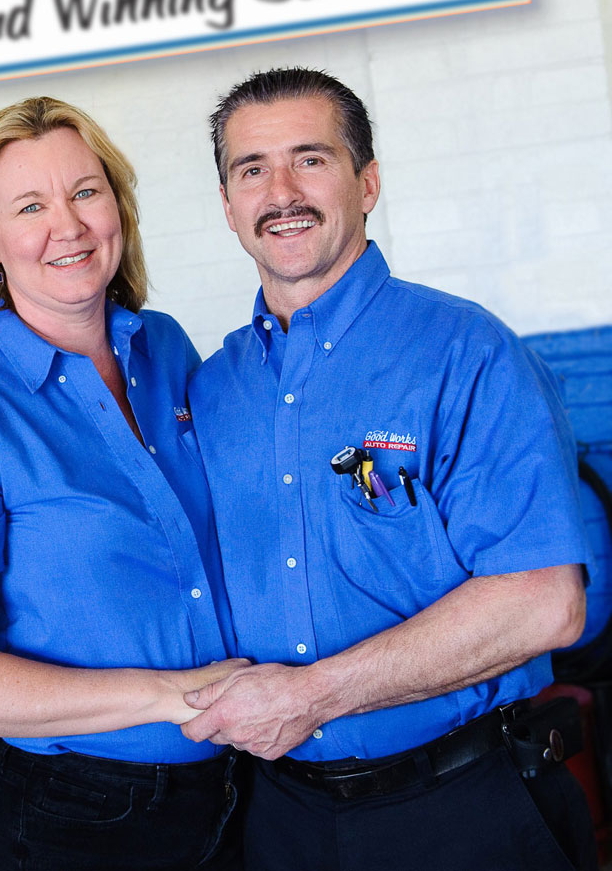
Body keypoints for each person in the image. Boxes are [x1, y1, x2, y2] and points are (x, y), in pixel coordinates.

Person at [181, 68, 598, 871]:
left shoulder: (467, 354)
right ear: (229, 206)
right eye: (251, 169)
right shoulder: (213, 389)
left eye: (311, 159)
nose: (282, 192)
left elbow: (545, 604)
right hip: (282, 818)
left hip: (463, 809)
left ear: (366, 182)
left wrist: (310, 696)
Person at [0, 96, 250, 871]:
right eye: (30, 205)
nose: (70, 225)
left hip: (234, 781)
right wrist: (167, 695)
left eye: (87, 191)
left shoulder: (164, 349)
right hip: (76, 811)